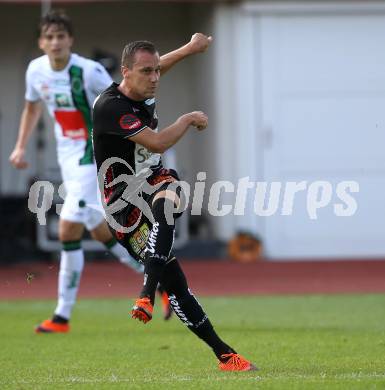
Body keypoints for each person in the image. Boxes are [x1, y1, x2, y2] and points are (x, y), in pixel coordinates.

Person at [8, 10, 200, 333]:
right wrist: (20, 146)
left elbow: (137, 83)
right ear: (41, 42)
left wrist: (186, 50)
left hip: (92, 157)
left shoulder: (88, 71)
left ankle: (62, 316)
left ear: (70, 40)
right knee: (98, 230)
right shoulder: (34, 71)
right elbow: (31, 107)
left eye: (61, 37)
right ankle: (161, 281)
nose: (55, 43)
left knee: (68, 228)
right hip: (67, 156)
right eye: (49, 37)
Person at [92, 40, 256, 371]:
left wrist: (191, 48)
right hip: (123, 205)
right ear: (126, 73)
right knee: (177, 284)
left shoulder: (143, 82)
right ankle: (221, 351)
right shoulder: (111, 106)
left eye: (156, 71)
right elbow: (159, 141)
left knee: (170, 197)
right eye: (146, 72)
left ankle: (146, 293)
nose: (154, 78)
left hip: (152, 178)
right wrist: (187, 118)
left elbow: (160, 64)